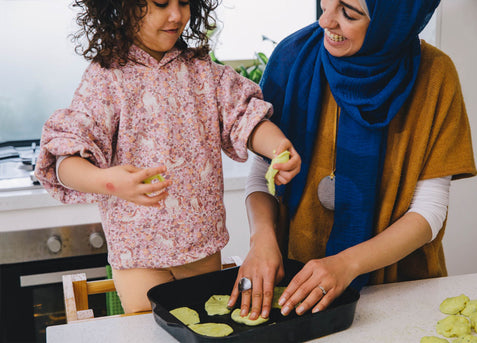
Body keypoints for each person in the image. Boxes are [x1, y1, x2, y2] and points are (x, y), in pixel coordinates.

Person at [34, 0, 301, 314]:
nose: (177, 15)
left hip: (201, 251)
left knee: (205, 327)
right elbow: (65, 160)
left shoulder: (205, 73)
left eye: (184, 2)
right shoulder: (106, 79)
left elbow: (248, 120)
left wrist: (278, 147)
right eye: (161, 4)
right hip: (137, 258)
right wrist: (107, 181)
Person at [228, 0, 477, 321]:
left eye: (349, 12)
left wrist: (345, 264)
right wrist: (262, 238)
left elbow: (429, 211)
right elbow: (264, 171)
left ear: (393, 18)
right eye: (325, 3)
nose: (325, 21)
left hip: (397, 288)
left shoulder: (435, 75)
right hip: (299, 282)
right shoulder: (291, 58)